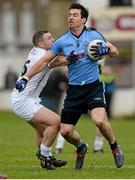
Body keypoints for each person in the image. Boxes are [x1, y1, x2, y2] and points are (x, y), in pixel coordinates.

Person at [15, 3, 124, 170]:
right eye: (69, 15)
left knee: (99, 121)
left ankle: (115, 147)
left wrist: (106, 50)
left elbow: (115, 51)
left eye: (74, 15)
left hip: (93, 86)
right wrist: (25, 77)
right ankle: (81, 147)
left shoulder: (94, 35)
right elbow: (45, 61)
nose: (70, 17)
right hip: (73, 90)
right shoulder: (62, 41)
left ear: (83, 19)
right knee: (65, 131)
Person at [11, 30, 67, 170]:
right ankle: (44, 155)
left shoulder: (37, 51)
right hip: (23, 101)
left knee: (41, 130)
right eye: (49, 38)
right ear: (41, 43)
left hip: (26, 98)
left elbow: (57, 56)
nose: (53, 39)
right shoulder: (42, 56)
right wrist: (82, 55)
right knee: (56, 122)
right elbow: (59, 60)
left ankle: (46, 156)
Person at [39, 67, 68, 154]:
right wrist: (60, 86)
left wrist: (63, 86)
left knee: (56, 121)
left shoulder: (64, 76)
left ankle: (50, 147)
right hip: (47, 96)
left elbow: (65, 85)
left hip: (55, 97)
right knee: (47, 121)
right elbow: (50, 85)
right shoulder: (55, 74)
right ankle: (45, 147)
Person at [93, 63, 117, 153]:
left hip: (96, 95)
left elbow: (111, 78)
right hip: (91, 94)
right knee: (103, 120)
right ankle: (97, 147)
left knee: (102, 121)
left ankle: (98, 147)